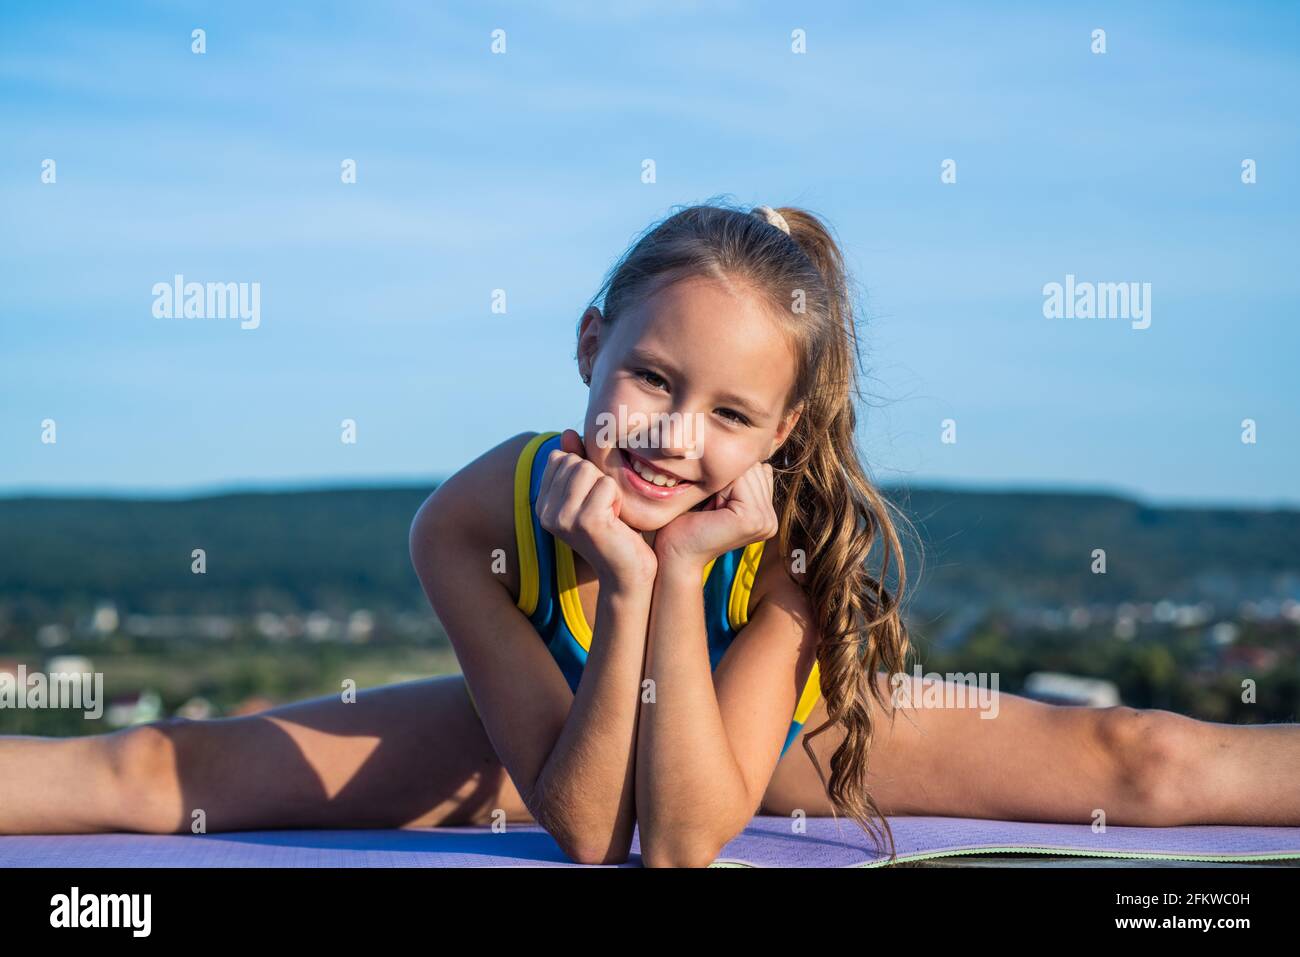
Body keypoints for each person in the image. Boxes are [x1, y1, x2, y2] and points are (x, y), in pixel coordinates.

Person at [3, 200, 1297, 867]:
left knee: (1144, 752)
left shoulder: (785, 541)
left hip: (760, 734)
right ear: (588, 345)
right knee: (167, 769)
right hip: (544, 729)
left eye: (733, 411)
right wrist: (619, 585)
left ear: (784, 436)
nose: (676, 438)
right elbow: (586, 826)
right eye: (651, 381)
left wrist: (677, 570)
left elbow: (680, 840)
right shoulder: (475, 518)